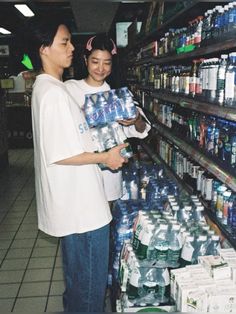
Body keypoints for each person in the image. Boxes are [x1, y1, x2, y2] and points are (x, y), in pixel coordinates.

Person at [27, 16, 128, 312]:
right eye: (64, 42)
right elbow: (60, 153)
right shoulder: (54, 94)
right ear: (44, 49)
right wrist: (105, 157)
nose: (71, 47)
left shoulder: (49, 89)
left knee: (78, 284)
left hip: (76, 207)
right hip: (83, 211)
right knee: (89, 291)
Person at [65, 34, 151, 203]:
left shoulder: (119, 94)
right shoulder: (70, 89)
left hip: (110, 175)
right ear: (85, 59)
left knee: (107, 222)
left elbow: (142, 130)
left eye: (107, 62)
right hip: (80, 173)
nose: (101, 68)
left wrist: (136, 118)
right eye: (95, 61)